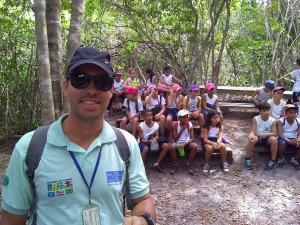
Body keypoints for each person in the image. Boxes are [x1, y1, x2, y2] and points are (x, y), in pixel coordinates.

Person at [0, 46, 156, 225]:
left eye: (102, 82)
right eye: (81, 80)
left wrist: (144, 219)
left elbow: (143, 199)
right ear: (65, 85)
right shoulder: (30, 148)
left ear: (111, 90)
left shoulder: (125, 144)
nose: (91, 90)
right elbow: (11, 220)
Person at [244, 102, 278, 171]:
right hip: (257, 136)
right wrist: (251, 135)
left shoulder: (272, 120)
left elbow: (274, 133)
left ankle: (273, 160)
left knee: (274, 139)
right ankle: (247, 159)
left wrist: (263, 135)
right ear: (260, 111)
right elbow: (254, 130)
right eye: (264, 110)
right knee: (252, 139)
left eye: (268, 110)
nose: (267, 112)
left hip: (267, 138)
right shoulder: (256, 119)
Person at [169, 110, 198, 175]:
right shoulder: (175, 124)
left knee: (195, 146)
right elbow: (175, 138)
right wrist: (182, 130)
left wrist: (185, 144)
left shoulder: (189, 124)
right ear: (179, 118)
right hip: (178, 142)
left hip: (186, 142)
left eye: (187, 117)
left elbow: (192, 138)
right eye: (184, 117)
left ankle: (189, 163)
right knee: (172, 146)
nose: (186, 119)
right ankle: (174, 164)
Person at [277, 104, 300, 169]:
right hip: (284, 138)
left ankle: (295, 159)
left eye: (295, 113)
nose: (294, 114)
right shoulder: (281, 121)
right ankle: (281, 158)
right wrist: (289, 141)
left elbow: (299, 134)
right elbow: (280, 134)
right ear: (286, 113)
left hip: (294, 138)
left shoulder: (298, 121)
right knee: (281, 143)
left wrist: (298, 139)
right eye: (291, 113)